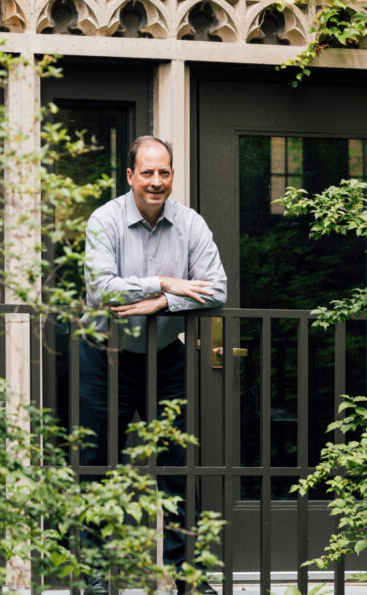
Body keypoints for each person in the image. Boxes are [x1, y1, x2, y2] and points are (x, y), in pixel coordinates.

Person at [81, 136, 226, 594]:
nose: (156, 181)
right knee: (97, 466)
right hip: (105, 358)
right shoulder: (105, 220)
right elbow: (101, 291)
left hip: (166, 358)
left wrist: (162, 302)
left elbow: (217, 289)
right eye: (147, 172)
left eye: (164, 172)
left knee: (178, 468)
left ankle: (189, 578)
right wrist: (162, 282)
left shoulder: (191, 224)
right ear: (130, 176)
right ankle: (97, 576)